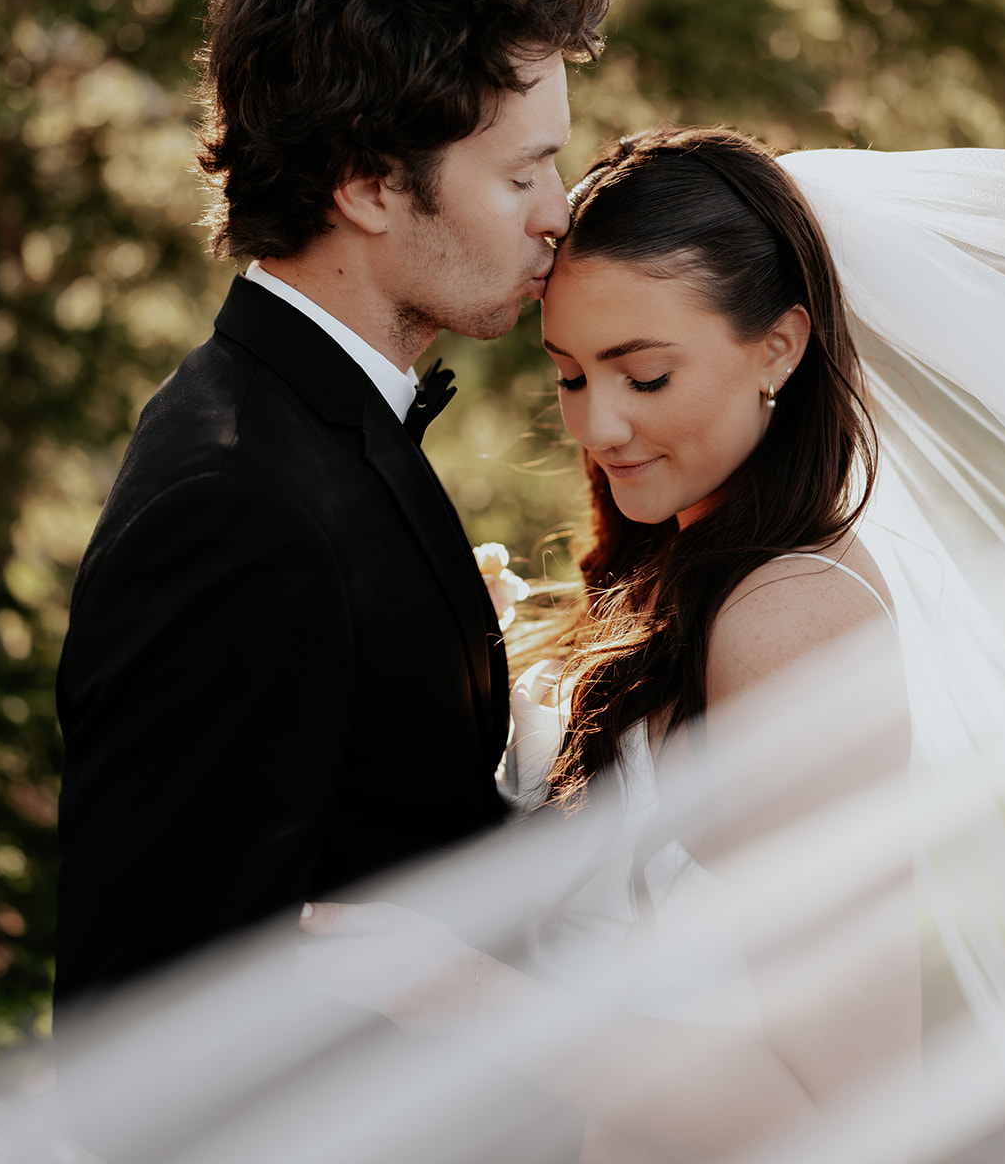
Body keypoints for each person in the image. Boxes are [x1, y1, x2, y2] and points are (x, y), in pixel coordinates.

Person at [300, 126, 922, 1161]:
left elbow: (856, 1111)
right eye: (572, 375)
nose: (597, 426)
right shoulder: (685, 572)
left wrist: (462, 991)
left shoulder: (790, 622)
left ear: (779, 344)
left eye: (644, 376)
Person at [52, 0, 610, 1016]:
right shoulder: (236, 507)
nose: (558, 209)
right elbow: (147, 1034)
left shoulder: (313, 422)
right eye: (520, 171)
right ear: (364, 180)